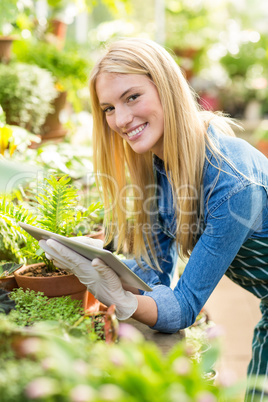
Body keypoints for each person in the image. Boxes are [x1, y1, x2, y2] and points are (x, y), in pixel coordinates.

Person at [40, 38, 268, 401]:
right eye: (108, 108)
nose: (121, 119)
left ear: (167, 87)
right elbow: (154, 277)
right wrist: (105, 261)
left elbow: (182, 308)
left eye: (132, 97)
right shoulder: (161, 168)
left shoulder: (232, 180)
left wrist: (120, 299)